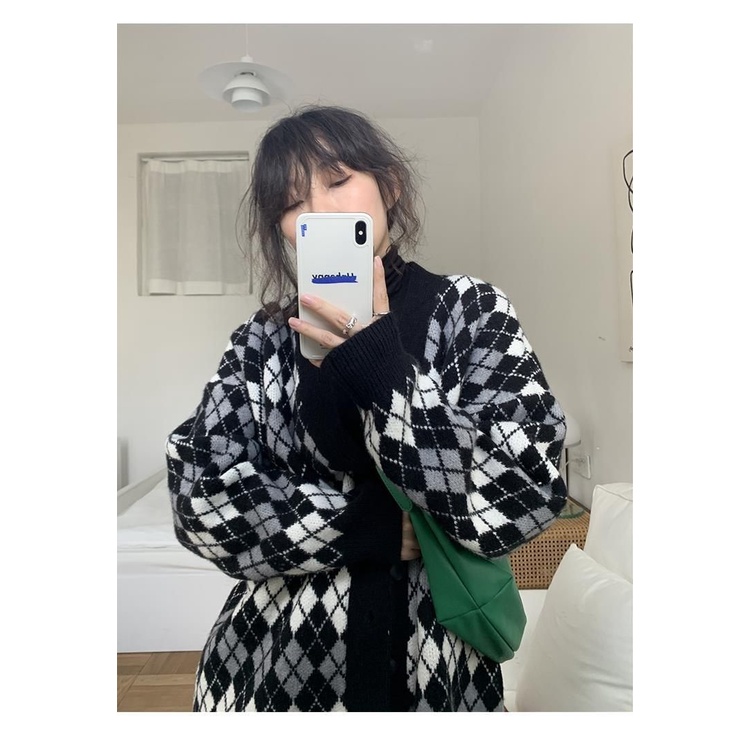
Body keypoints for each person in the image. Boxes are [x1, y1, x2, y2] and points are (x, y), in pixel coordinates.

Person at [166, 105, 568, 712]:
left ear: (390, 185)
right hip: (270, 668)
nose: (319, 212)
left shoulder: (472, 310)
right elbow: (198, 499)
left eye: (337, 180)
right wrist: (367, 527)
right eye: (292, 203)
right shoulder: (261, 340)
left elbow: (527, 489)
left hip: (438, 670)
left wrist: (382, 365)